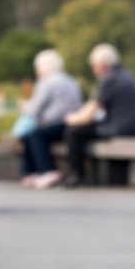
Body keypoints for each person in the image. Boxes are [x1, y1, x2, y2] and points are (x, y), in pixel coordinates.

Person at [63, 44, 135, 186]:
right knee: (84, 129)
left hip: (121, 127)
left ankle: (77, 175)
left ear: (102, 65)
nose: (93, 69)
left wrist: (71, 119)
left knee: (73, 132)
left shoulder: (110, 79)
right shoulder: (127, 75)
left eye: (94, 65)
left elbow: (90, 112)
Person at [19, 49, 84, 189]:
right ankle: (34, 172)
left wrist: (24, 107)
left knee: (33, 135)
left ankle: (46, 171)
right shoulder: (70, 80)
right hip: (71, 123)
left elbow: (35, 108)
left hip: (57, 123)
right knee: (34, 134)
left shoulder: (47, 82)